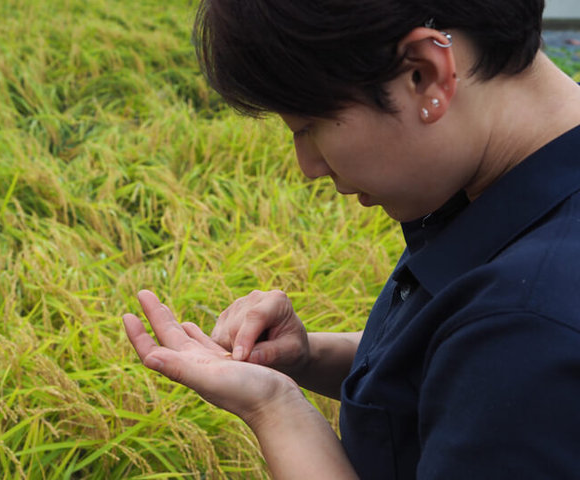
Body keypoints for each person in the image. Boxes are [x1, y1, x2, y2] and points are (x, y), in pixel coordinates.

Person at [123, 0, 580, 478]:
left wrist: (275, 409)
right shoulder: (498, 192)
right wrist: (307, 355)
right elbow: (452, 363)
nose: (309, 166)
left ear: (424, 73)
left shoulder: (529, 330)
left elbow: (498, 355)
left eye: (308, 127)